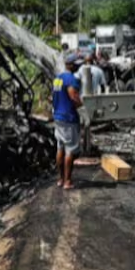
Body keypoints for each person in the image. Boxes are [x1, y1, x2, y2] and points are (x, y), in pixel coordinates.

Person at [52, 54, 84, 190]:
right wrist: (83, 109)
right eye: (76, 63)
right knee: (70, 151)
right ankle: (68, 181)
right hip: (69, 119)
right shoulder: (71, 79)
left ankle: (60, 179)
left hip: (58, 118)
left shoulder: (57, 79)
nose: (79, 65)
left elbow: (52, 97)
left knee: (60, 148)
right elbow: (73, 97)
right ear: (70, 65)